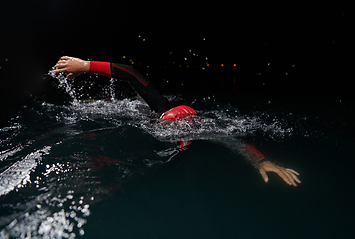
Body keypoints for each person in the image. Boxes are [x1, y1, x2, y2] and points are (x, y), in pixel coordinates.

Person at [54, 56, 301, 186]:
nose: (163, 125)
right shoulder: (160, 108)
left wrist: (262, 161)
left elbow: (236, 142)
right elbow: (130, 73)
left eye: (167, 124)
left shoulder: (203, 129)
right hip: (160, 106)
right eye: (163, 121)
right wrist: (85, 65)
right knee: (127, 107)